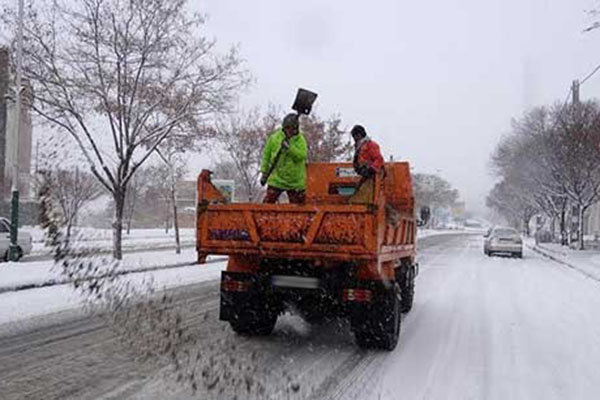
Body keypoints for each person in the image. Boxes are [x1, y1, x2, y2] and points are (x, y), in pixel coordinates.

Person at [260, 113, 308, 204]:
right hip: (276, 179)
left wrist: (289, 149)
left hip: (295, 181)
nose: (289, 131)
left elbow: (302, 156)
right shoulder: (274, 138)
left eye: (292, 129)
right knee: (267, 204)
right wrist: (264, 171)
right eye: (287, 128)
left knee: (299, 209)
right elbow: (266, 155)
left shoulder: (300, 140)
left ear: (296, 129)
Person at [349, 125, 385, 204]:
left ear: (359, 135)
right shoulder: (361, 146)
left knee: (361, 198)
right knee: (358, 194)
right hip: (366, 175)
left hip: (372, 176)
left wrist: (371, 170)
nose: (354, 139)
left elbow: (379, 159)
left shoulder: (370, 145)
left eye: (355, 136)